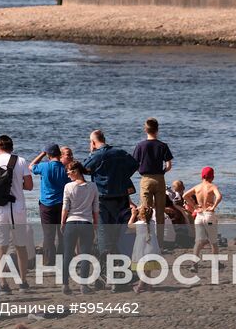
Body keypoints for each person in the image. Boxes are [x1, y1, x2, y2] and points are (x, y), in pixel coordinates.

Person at [84, 129, 139, 279]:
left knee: (104, 234)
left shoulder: (97, 155)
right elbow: (134, 164)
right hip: (121, 197)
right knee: (121, 232)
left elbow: (84, 169)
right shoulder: (120, 152)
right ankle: (123, 268)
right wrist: (121, 177)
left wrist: (91, 153)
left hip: (103, 197)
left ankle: (106, 271)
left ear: (93, 142)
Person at [0, 134, 34, 291]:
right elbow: (30, 186)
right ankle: (22, 282)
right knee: (20, 246)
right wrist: (17, 185)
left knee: (0, 247)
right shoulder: (21, 161)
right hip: (17, 208)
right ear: (12, 147)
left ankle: (3, 283)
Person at [60, 161, 99, 294]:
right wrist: (96, 223)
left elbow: (65, 207)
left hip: (71, 222)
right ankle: (84, 285)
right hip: (86, 223)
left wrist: (62, 222)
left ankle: (65, 284)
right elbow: (95, 208)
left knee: (67, 254)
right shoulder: (93, 186)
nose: (68, 174)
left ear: (76, 172)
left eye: (69, 172)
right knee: (85, 254)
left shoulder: (68, 187)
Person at [132, 118, 174, 236]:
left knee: (146, 210)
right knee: (160, 212)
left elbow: (134, 164)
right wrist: (163, 171)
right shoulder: (162, 145)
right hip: (160, 179)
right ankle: (159, 241)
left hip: (146, 178)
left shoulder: (140, 146)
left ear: (145, 130)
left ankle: (147, 238)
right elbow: (169, 165)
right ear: (157, 130)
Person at [30, 144, 69, 263]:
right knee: (62, 232)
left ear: (48, 155)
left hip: (46, 204)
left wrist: (41, 154)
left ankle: (48, 260)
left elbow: (31, 166)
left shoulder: (44, 166)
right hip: (62, 204)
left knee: (48, 234)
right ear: (59, 154)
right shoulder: (65, 168)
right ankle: (63, 257)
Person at [189, 167, 222, 260]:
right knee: (213, 241)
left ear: (202, 176)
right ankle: (216, 263)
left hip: (199, 217)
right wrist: (214, 206)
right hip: (209, 216)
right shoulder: (212, 186)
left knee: (198, 241)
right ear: (212, 177)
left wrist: (195, 206)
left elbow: (185, 195)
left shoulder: (197, 187)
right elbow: (219, 196)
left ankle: (194, 264)